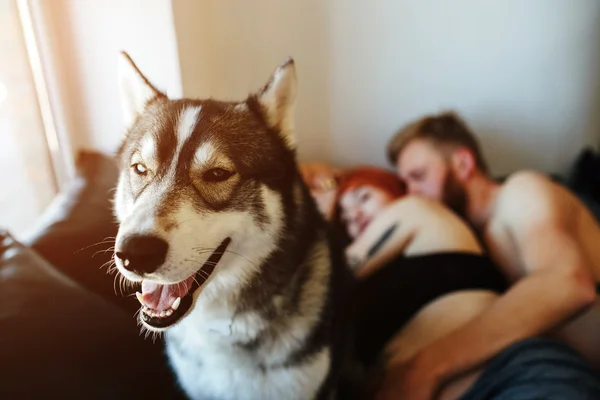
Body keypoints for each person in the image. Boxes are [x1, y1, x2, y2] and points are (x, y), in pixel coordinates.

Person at [383, 111, 600, 399]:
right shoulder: (476, 240)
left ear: (463, 163)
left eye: (419, 176)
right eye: (405, 184)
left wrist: (426, 366)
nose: (412, 194)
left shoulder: (520, 193)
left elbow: (568, 283)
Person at [332, 166, 508, 400]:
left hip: (500, 381)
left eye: (364, 197)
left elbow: (327, 278)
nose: (354, 215)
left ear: (396, 190)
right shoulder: (368, 286)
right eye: (345, 219)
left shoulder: (413, 208)